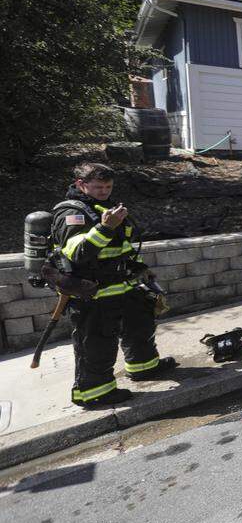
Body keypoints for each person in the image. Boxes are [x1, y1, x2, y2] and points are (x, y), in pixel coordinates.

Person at [51, 163, 175, 407]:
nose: (104, 191)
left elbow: (123, 247)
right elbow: (77, 253)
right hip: (94, 293)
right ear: (80, 184)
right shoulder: (72, 213)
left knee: (140, 325)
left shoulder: (108, 207)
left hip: (125, 285)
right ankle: (94, 392)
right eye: (98, 187)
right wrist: (105, 228)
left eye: (108, 186)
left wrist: (141, 269)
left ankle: (144, 367)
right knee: (97, 341)